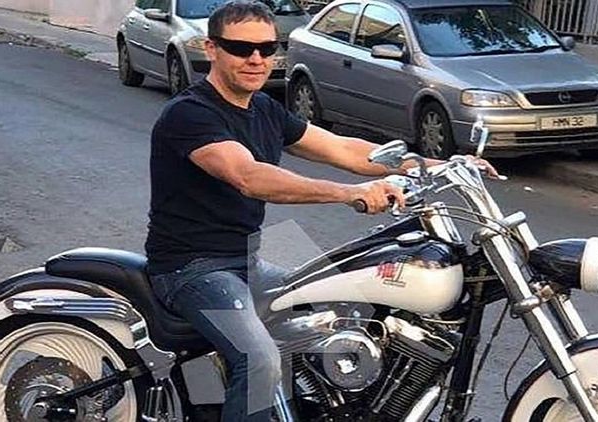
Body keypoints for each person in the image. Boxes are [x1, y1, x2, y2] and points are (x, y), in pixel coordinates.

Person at [145, 1, 497, 420]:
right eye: (241, 48)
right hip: (192, 266)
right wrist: (349, 193)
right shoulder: (190, 113)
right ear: (212, 48)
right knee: (259, 359)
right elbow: (249, 176)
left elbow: (343, 148)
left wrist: (433, 164)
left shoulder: (264, 108)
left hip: (248, 256)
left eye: (267, 48)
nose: (256, 59)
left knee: (345, 310)